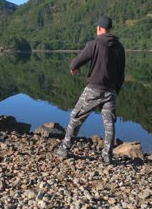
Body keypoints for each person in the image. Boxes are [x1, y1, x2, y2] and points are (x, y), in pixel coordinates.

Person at [53, 15, 125, 164]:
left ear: (99, 28)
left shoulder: (95, 43)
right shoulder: (119, 47)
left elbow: (77, 61)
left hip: (93, 89)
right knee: (109, 123)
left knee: (76, 117)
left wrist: (73, 67)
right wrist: (115, 90)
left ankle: (64, 149)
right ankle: (107, 155)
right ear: (109, 29)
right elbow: (121, 72)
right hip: (110, 91)